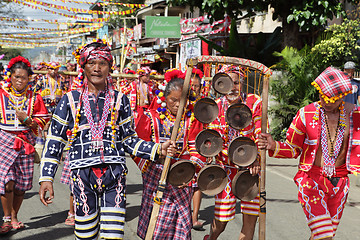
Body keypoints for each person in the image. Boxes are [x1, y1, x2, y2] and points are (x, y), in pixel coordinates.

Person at [38, 39, 173, 240]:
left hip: (114, 174)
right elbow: (55, 140)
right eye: (92, 63)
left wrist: (157, 149)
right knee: (85, 234)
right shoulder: (70, 100)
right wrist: (46, 178)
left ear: (110, 67)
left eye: (103, 63)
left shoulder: (120, 100)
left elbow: (128, 139)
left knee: (114, 235)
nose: (97, 68)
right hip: (82, 175)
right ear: (83, 66)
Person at [258, 67, 360, 240]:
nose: (326, 102)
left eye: (332, 100)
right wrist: (273, 145)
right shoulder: (306, 114)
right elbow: (293, 149)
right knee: (324, 234)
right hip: (311, 181)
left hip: (341, 183)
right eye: (322, 97)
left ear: (342, 96)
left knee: (323, 235)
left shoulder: (355, 115)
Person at [132, 69, 206, 239]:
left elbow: (198, 149)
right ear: (165, 98)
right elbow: (138, 147)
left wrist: (188, 172)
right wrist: (158, 154)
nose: (178, 105)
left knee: (181, 223)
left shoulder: (192, 120)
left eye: (182, 101)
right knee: (158, 224)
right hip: (156, 176)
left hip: (183, 178)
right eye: (173, 100)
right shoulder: (151, 118)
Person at [204, 65, 261, 240]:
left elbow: (260, 133)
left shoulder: (254, 102)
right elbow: (209, 140)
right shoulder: (216, 107)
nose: (232, 87)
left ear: (242, 84)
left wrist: (257, 158)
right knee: (220, 222)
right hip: (226, 168)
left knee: (250, 219)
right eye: (227, 83)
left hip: (250, 168)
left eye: (236, 83)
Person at [0, 56, 48, 234]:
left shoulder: (35, 97)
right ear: (10, 77)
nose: (19, 81)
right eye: (16, 77)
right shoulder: (1, 94)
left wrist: (27, 120)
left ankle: (14, 216)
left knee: (21, 186)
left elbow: (42, 120)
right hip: (4, 140)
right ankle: (6, 219)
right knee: (7, 182)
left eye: (23, 77)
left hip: (26, 142)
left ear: (29, 79)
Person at [190, 68, 206, 230]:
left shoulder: (205, 104)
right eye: (191, 85)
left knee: (198, 184)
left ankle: (194, 218)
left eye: (196, 86)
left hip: (199, 146)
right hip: (183, 147)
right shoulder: (179, 102)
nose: (194, 88)